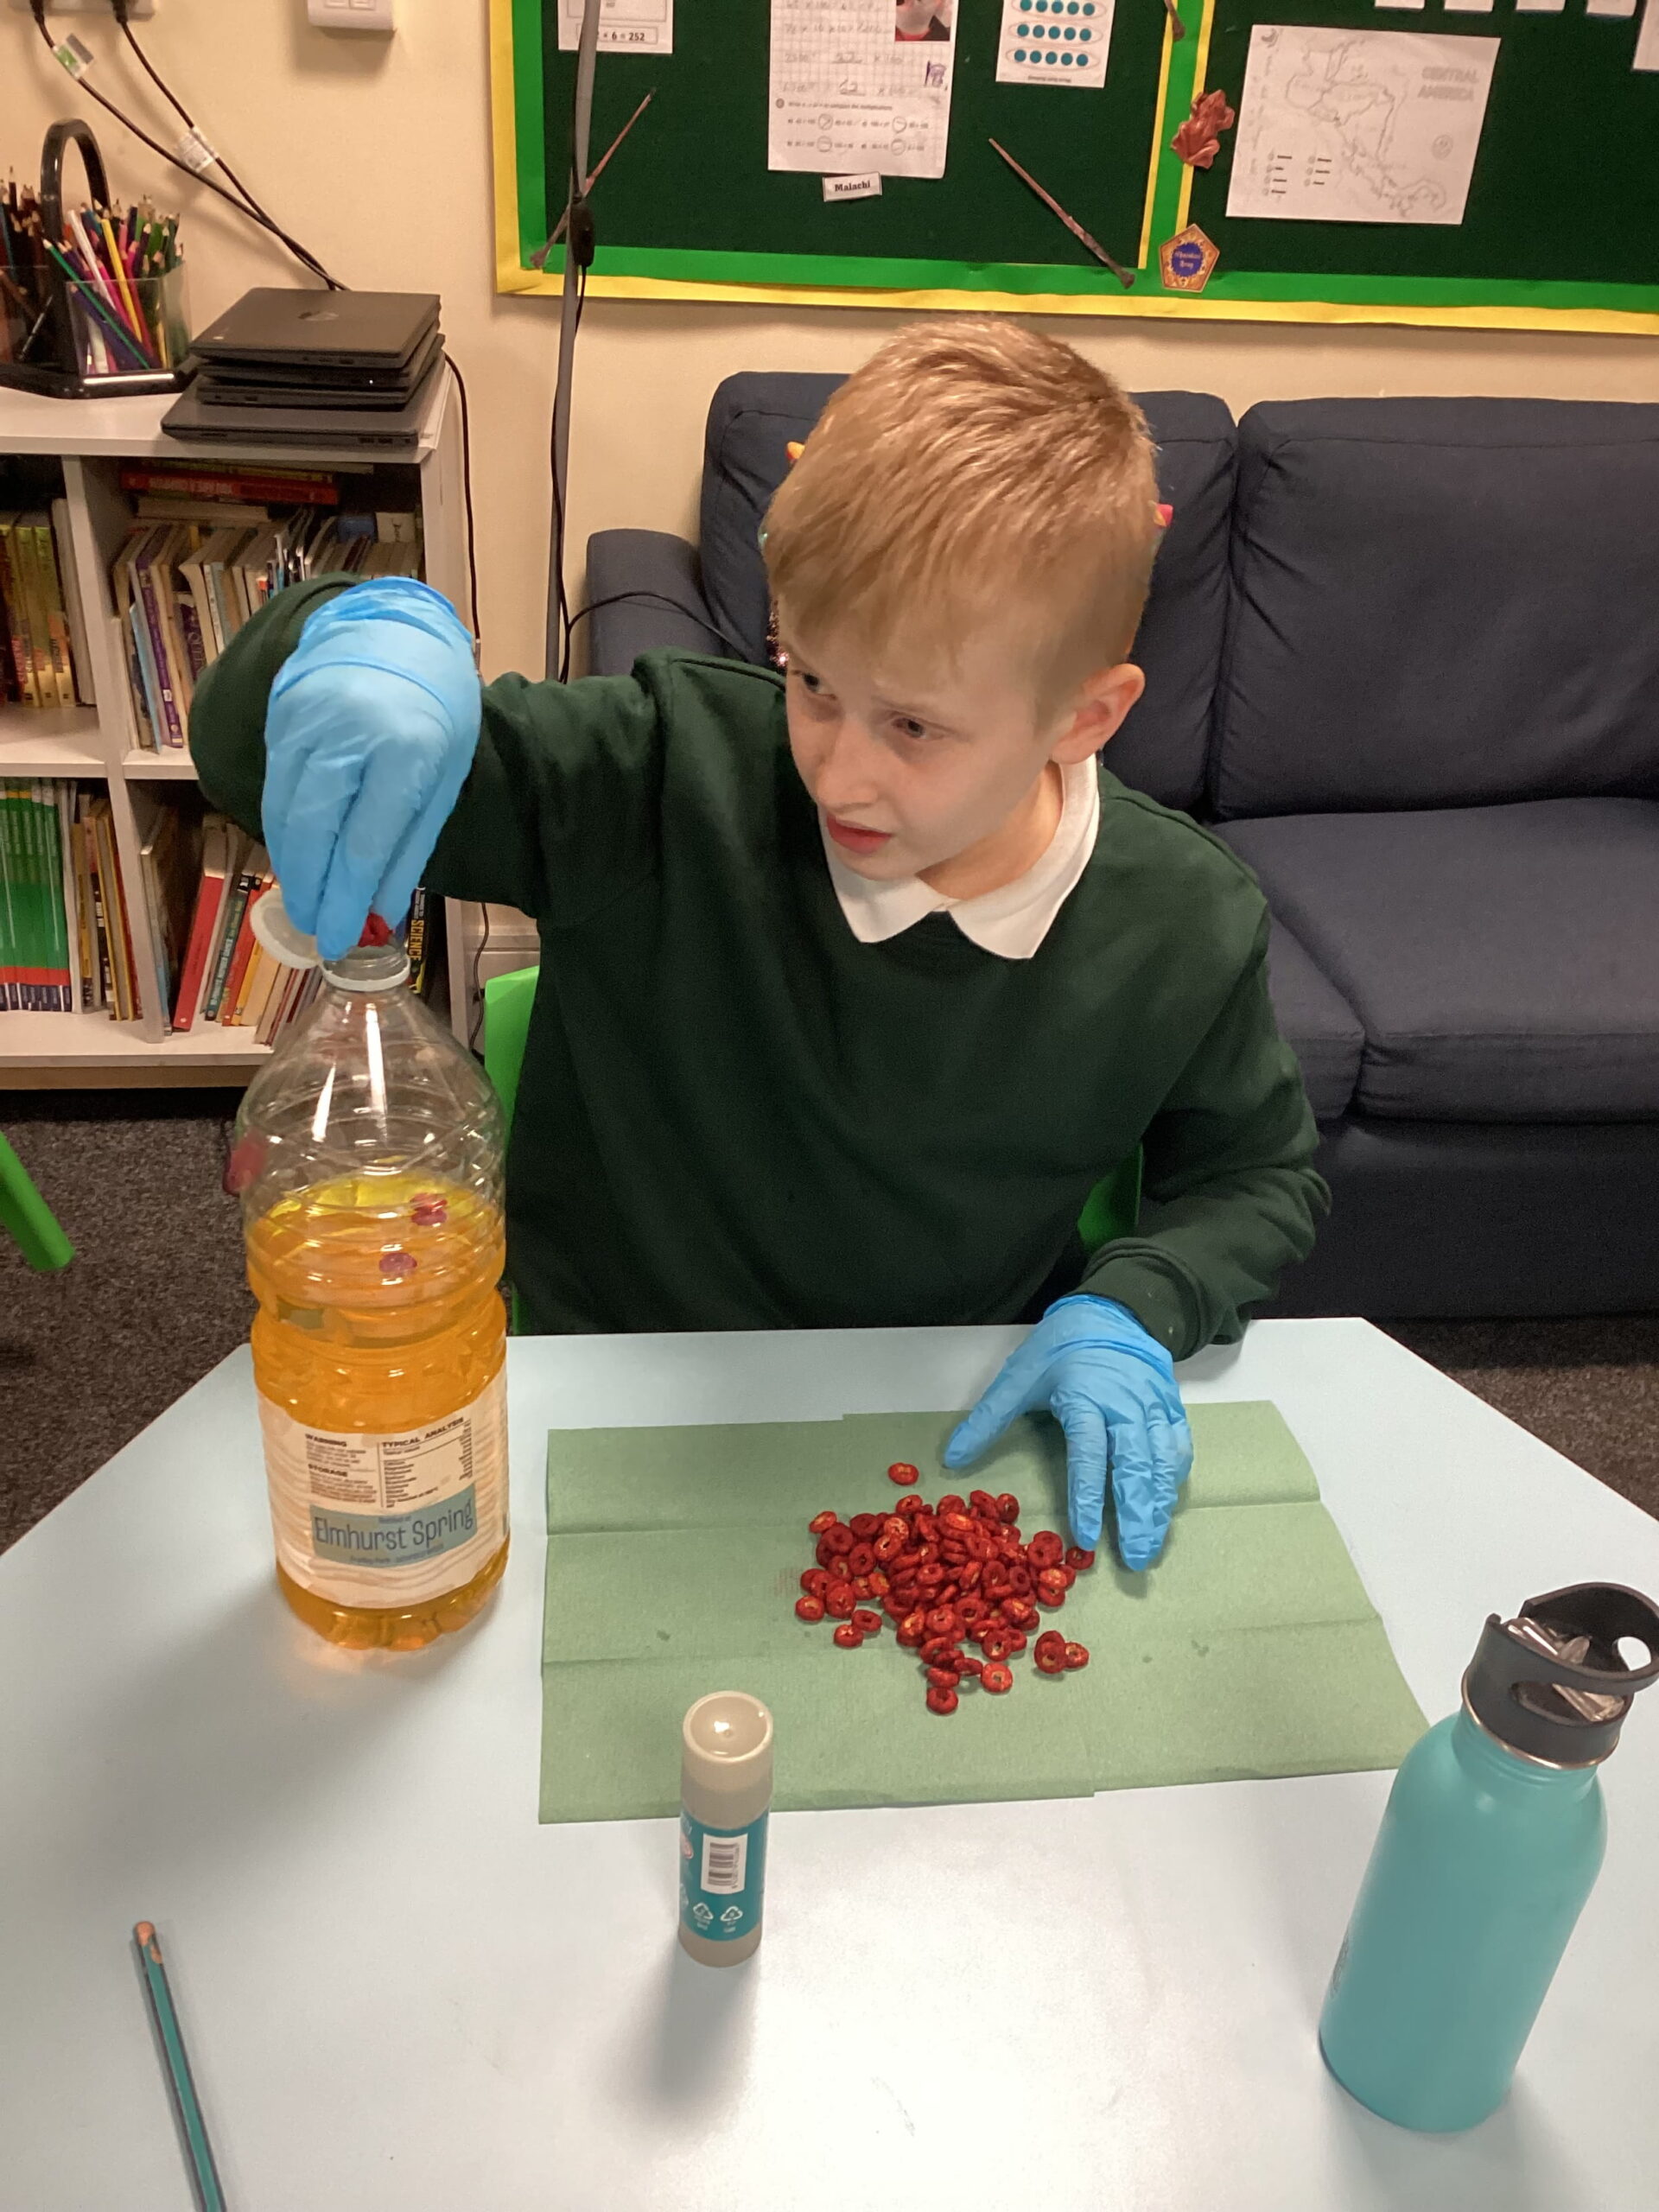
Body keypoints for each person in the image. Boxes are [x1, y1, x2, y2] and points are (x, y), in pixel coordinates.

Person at [189, 320, 1326, 1573]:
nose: (837, 767)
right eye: (811, 680)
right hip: (603, 1389)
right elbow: (255, 757)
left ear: (1085, 716)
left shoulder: (1184, 921)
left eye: (913, 725)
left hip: (932, 1413)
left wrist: (1132, 1307)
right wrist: (348, 641)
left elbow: (1257, 1177)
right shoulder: (659, 770)